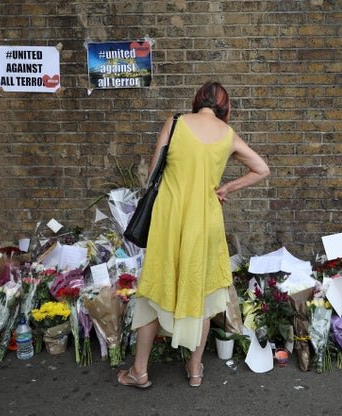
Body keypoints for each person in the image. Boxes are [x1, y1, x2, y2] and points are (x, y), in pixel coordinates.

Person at [117, 81, 270, 389]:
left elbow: (152, 174)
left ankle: (140, 371)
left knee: (154, 289)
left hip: (169, 218)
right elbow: (262, 169)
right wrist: (226, 187)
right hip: (205, 221)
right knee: (202, 290)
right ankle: (195, 368)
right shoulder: (228, 136)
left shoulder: (175, 123)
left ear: (197, 100)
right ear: (225, 108)